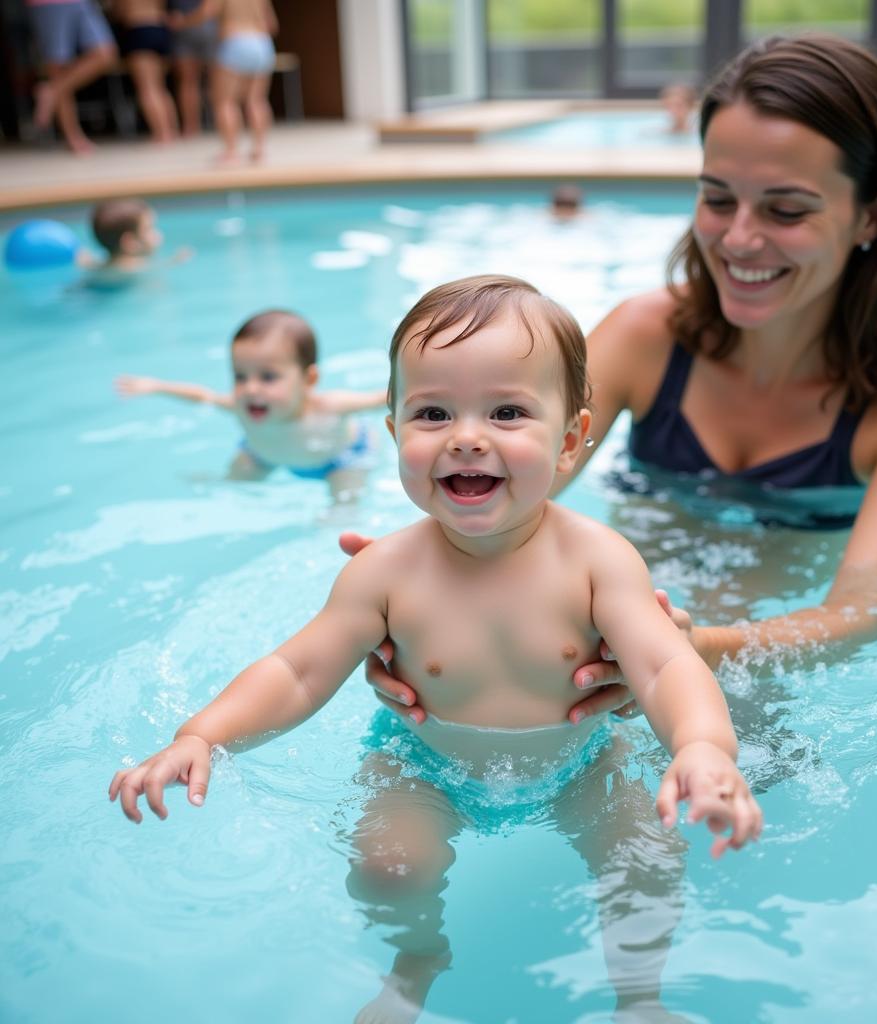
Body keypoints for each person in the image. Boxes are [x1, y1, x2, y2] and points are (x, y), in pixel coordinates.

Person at [109, 275, 762, 1023]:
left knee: (647, 856)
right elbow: (297, 670)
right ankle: (416, 963)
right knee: (387, 868)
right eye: (432, 413)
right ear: (394, 434)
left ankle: (639, 996)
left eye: (508, 411)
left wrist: (704, 747)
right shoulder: (385, 570)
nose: (466, 436)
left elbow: (665, 662)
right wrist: (201, 736)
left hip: (582, 764)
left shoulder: (598, 560)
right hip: (424, 766)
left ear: (573, 438)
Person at [346, 34, 877, 728]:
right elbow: (506, 467)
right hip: (592, 630)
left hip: (751, 652)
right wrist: (408, 601)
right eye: (717, 198)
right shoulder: (647, 337)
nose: (737, 239)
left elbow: (863, 613)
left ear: (870, 216)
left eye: (786, 210)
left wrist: (693, 648)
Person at [115, 309, 386, 494]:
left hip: (336, 461)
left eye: (268, 377)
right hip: (264, 456)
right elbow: (204, 397)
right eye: (240, 376)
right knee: (234, 483)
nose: (250, 388)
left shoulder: (330, 408)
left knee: (342, 507)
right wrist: (157, 386)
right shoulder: (239, 405)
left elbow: (381, 399)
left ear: (309, 379)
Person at [168, 0, 277, 163]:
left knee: (225, 101)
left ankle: (231, 151)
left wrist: (183, 22)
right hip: (262, 43)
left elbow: (207, 12)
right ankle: (259, 149)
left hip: (235, 41)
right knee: (257, 100)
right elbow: (272, 24)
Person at [27, 0, 118, 154]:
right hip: (48, 3)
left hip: (82, 2)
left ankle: (51, 91)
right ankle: (73, 138)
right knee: (58, 68)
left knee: (106, 54)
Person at [112, 0, 179, 143]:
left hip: (138, 28)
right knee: (161, 87)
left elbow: (120, 11)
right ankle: (172, 131)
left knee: (147, 88)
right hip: (160, 28)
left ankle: (162, 134)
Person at [167, 0, 218, 136]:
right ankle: (220, 122)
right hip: (208, 28)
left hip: (189, 28)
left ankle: (192, 127)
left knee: (190, 82)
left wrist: (184, 22)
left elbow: (209, 9)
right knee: (213, 82)